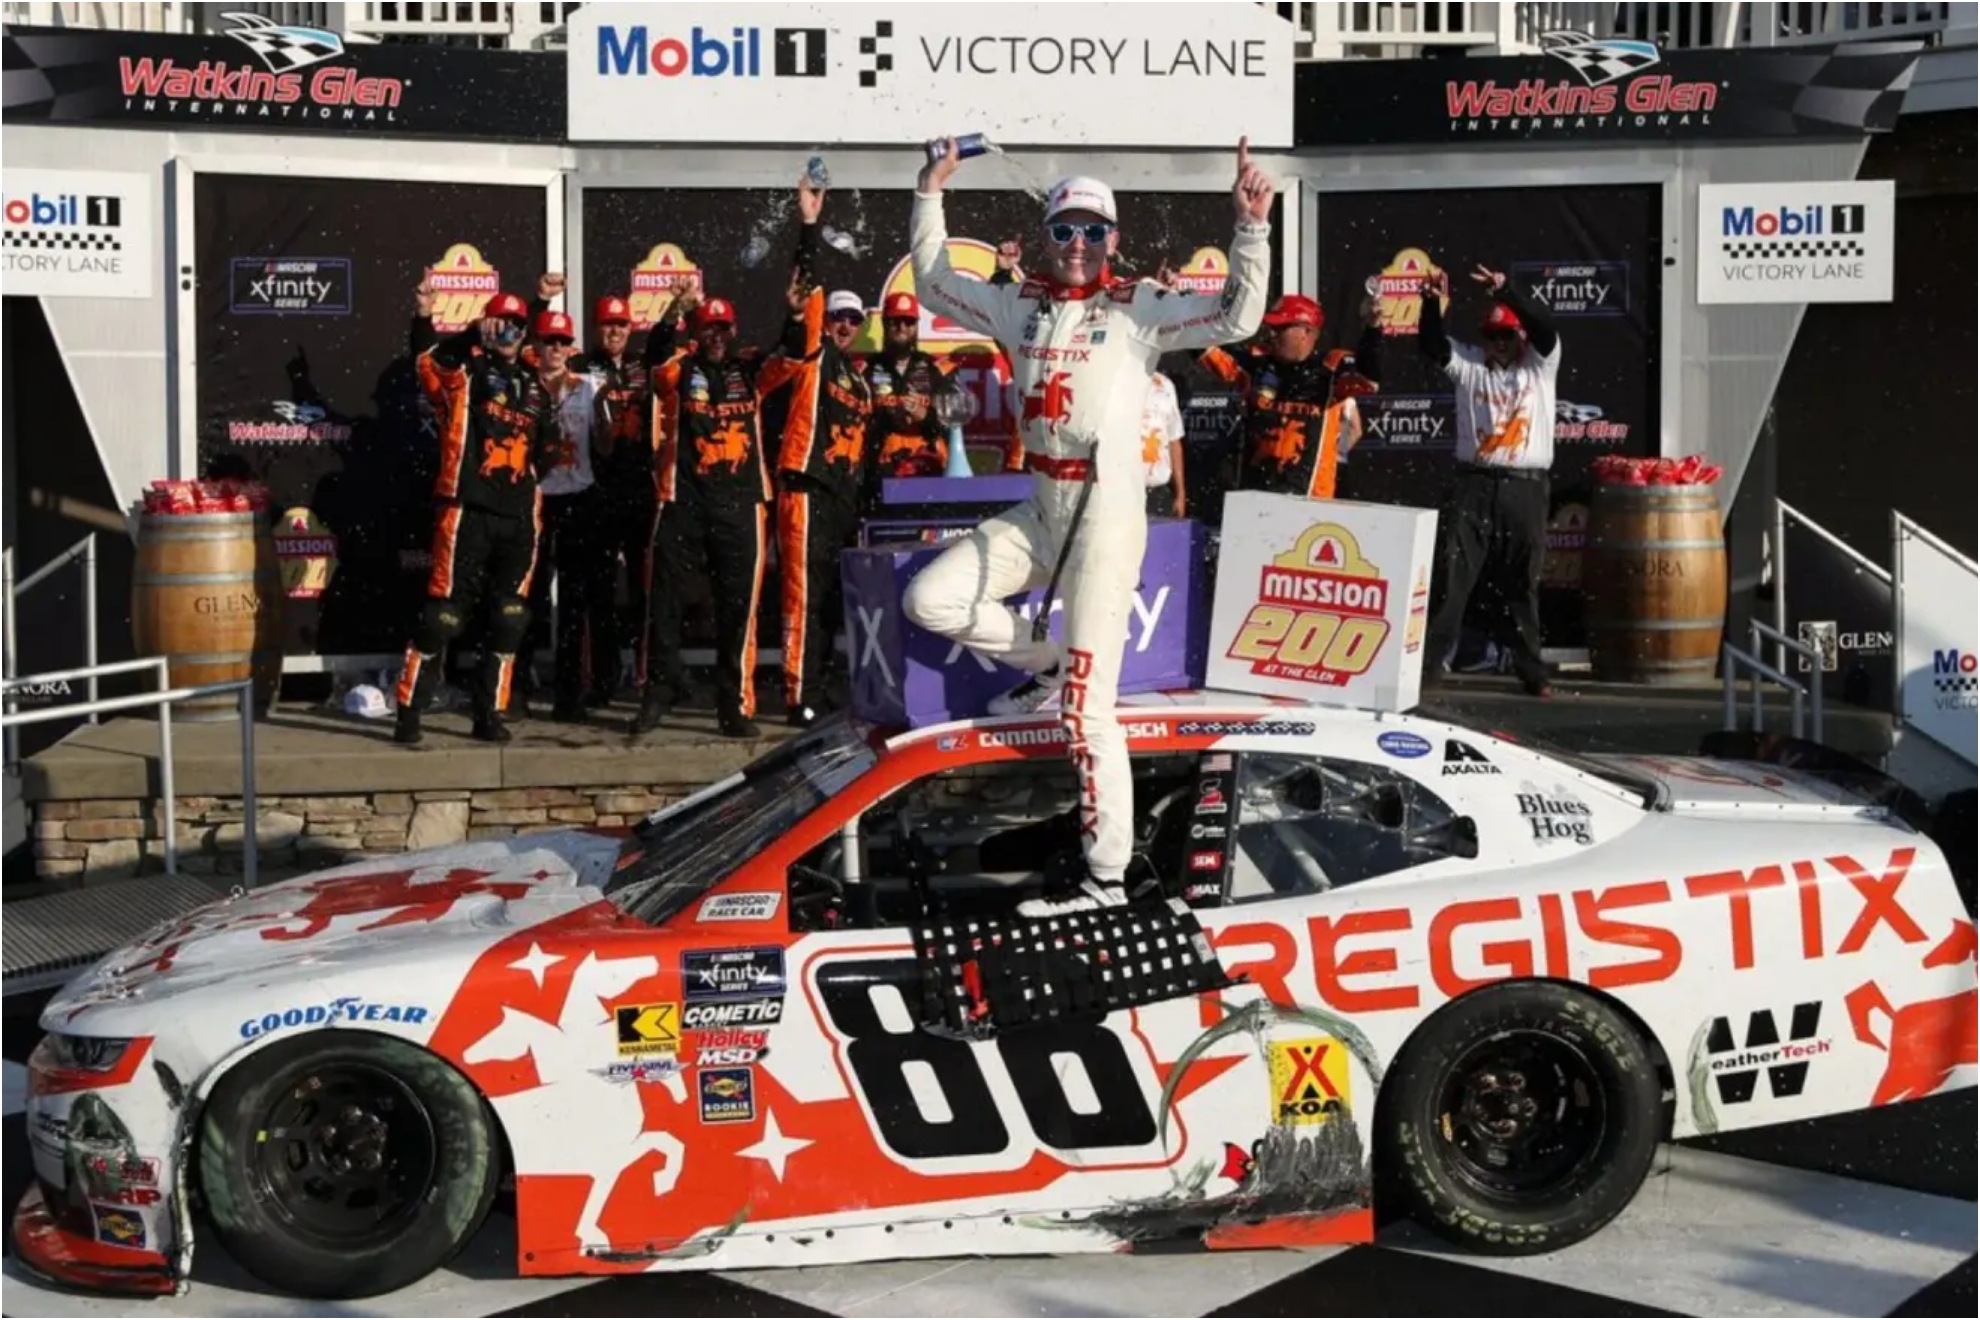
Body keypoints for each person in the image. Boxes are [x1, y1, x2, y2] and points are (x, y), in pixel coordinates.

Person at [901, 136, 1275, 915]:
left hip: (1106, 516)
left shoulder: (1138, 307)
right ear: (1047, 236)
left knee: (1088, 712)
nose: (1078, 246)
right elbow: (935, 285)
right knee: (929, 600)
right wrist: (929, 191)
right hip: (1041, 507)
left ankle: (1105, 882)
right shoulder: (1016, 302)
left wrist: (1250, 229)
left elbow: (1239, 318)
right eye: (1064, 230)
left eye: (1093, 232)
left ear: (1115, 239)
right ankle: (1045, 659)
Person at [634, 285, 804, 739]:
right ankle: (657, 693)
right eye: (708, 327)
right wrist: (674, 312)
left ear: (733, 332)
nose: (716, 336)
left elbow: (794, 353)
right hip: (683, 500)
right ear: (696, 329)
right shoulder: (679, 369)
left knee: (738, 610)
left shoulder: (749, 370)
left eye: (722, 328)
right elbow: (653, 357)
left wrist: (793, 315)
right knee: (664, 601)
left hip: (741, 504)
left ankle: (734, 706)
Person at [395, 286, 559, 745]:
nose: (508, 332)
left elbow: (545, 451)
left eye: (516, 326)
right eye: (499, 324)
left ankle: (489, 712)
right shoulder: (463, 373)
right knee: (443, 615)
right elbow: (427, 357)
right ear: (485, 328)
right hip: (467, 510)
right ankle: (409, 710)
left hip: (519, 516)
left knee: (510, 616)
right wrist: (433, 318)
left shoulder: (535, 386)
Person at [1416, 263, 1561, 698]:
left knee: (1522, 581)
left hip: (1526, 486)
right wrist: (1429, 303)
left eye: (1507, 336)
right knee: (1451, 576)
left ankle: (1532, 672)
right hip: (1474, 483)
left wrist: (1508, 292)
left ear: (1520, 337)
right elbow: (1432, 345)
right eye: (1492, 337)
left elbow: (1546, 329)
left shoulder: (1539, 365)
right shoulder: (1471, 365)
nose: (1499, 344)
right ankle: (1427, 670)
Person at [778, 176, 875, 726]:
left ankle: (821, 684)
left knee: (834, 602)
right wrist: (809, 226)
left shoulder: (860, 383)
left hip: (842, 497)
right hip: (807, 490)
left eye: (852, 320)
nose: (843, 326)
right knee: (803, 596)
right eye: (837, 317)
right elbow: (805, 287)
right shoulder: (814, 355)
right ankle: (799, 696)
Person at [1197, 291, 1381, 502]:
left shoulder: (1331, 367)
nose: (1272, 333)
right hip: (1254, 498)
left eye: (1281, 327)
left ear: (1306, 332)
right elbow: (1203, 348)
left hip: (1311, 500)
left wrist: (1372, 330)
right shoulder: (1256, 363)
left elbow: (1370, 380)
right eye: (1272, 327)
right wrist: (1173, 304)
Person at [520, 307, 602, 722]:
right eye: (548, 341)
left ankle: (569, 695)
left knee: (574, 600)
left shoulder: (588, 388)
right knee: (526, 596)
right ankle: (515, 687)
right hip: (534, 501)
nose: (555, 349)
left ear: (571, 348)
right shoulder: (524, 385)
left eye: (561, 342)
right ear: (536, 345)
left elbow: (604, 442)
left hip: (578, 500)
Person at [1142, 370, 1188, 518]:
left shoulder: (1166, 385)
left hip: (1158, 488)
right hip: (1125, 488)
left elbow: (1174, 440)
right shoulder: (1119, 379)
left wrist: (1180, 493)